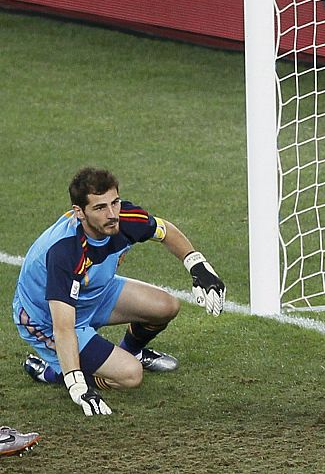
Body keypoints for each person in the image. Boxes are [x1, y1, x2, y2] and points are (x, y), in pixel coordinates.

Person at [12, 167, 226, 417]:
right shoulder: (65, 251)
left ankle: (131, 351)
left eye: (114, 202)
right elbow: (63, 328)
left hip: (92, 294)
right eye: (100, 207)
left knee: (166, 306)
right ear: (79, 212)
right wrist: (77, 384)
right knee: (130, 375)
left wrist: (198, 266)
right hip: (46, 319)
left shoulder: (124, 218)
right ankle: (54, 373)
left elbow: (165, 231)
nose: (112, 214)